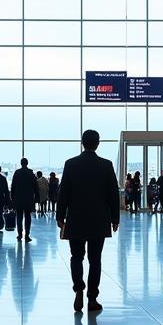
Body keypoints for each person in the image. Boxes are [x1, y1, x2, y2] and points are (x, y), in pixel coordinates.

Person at [57, 130, 119, 313]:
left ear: (82, 143)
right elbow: (113, 195)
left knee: (76, 257)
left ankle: (78, 288)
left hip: (76, 219)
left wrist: (60, 216)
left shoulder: (71, 164)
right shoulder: (106, 165)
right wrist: (115, 218)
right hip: (99, 220)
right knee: (95, 259)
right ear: (98, 144)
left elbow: (64, 193)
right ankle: (92, 298)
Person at [11, 157, 37, 242]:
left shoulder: (17, 173)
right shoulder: (31, 173)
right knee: (27, 216)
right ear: (27, 163)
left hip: (18, 198)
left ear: (21, 163)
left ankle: (19, 234)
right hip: (28, 198)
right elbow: (35, 187)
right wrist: (36, 198)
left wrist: (12, 197)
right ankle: (27, 235)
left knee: (19, 216)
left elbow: (13, 186)